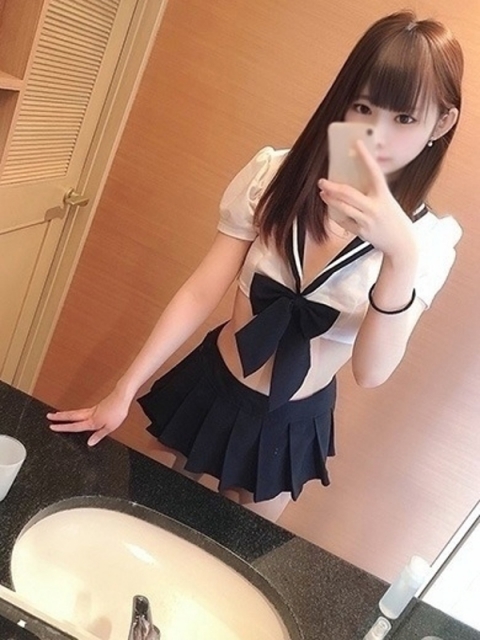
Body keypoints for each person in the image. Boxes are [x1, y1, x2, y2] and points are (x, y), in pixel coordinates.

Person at [47, 11, 463, 523]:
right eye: (363, 107)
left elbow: (371, 372)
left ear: (441, 123)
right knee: (141, 517)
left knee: (232, 555)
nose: (375, 134)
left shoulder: (428, 242)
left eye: (404, 119)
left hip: (290, 424)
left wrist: (400, 253)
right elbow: (201, 290)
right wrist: (123, 389)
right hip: (212, 384)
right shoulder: (275, 174)